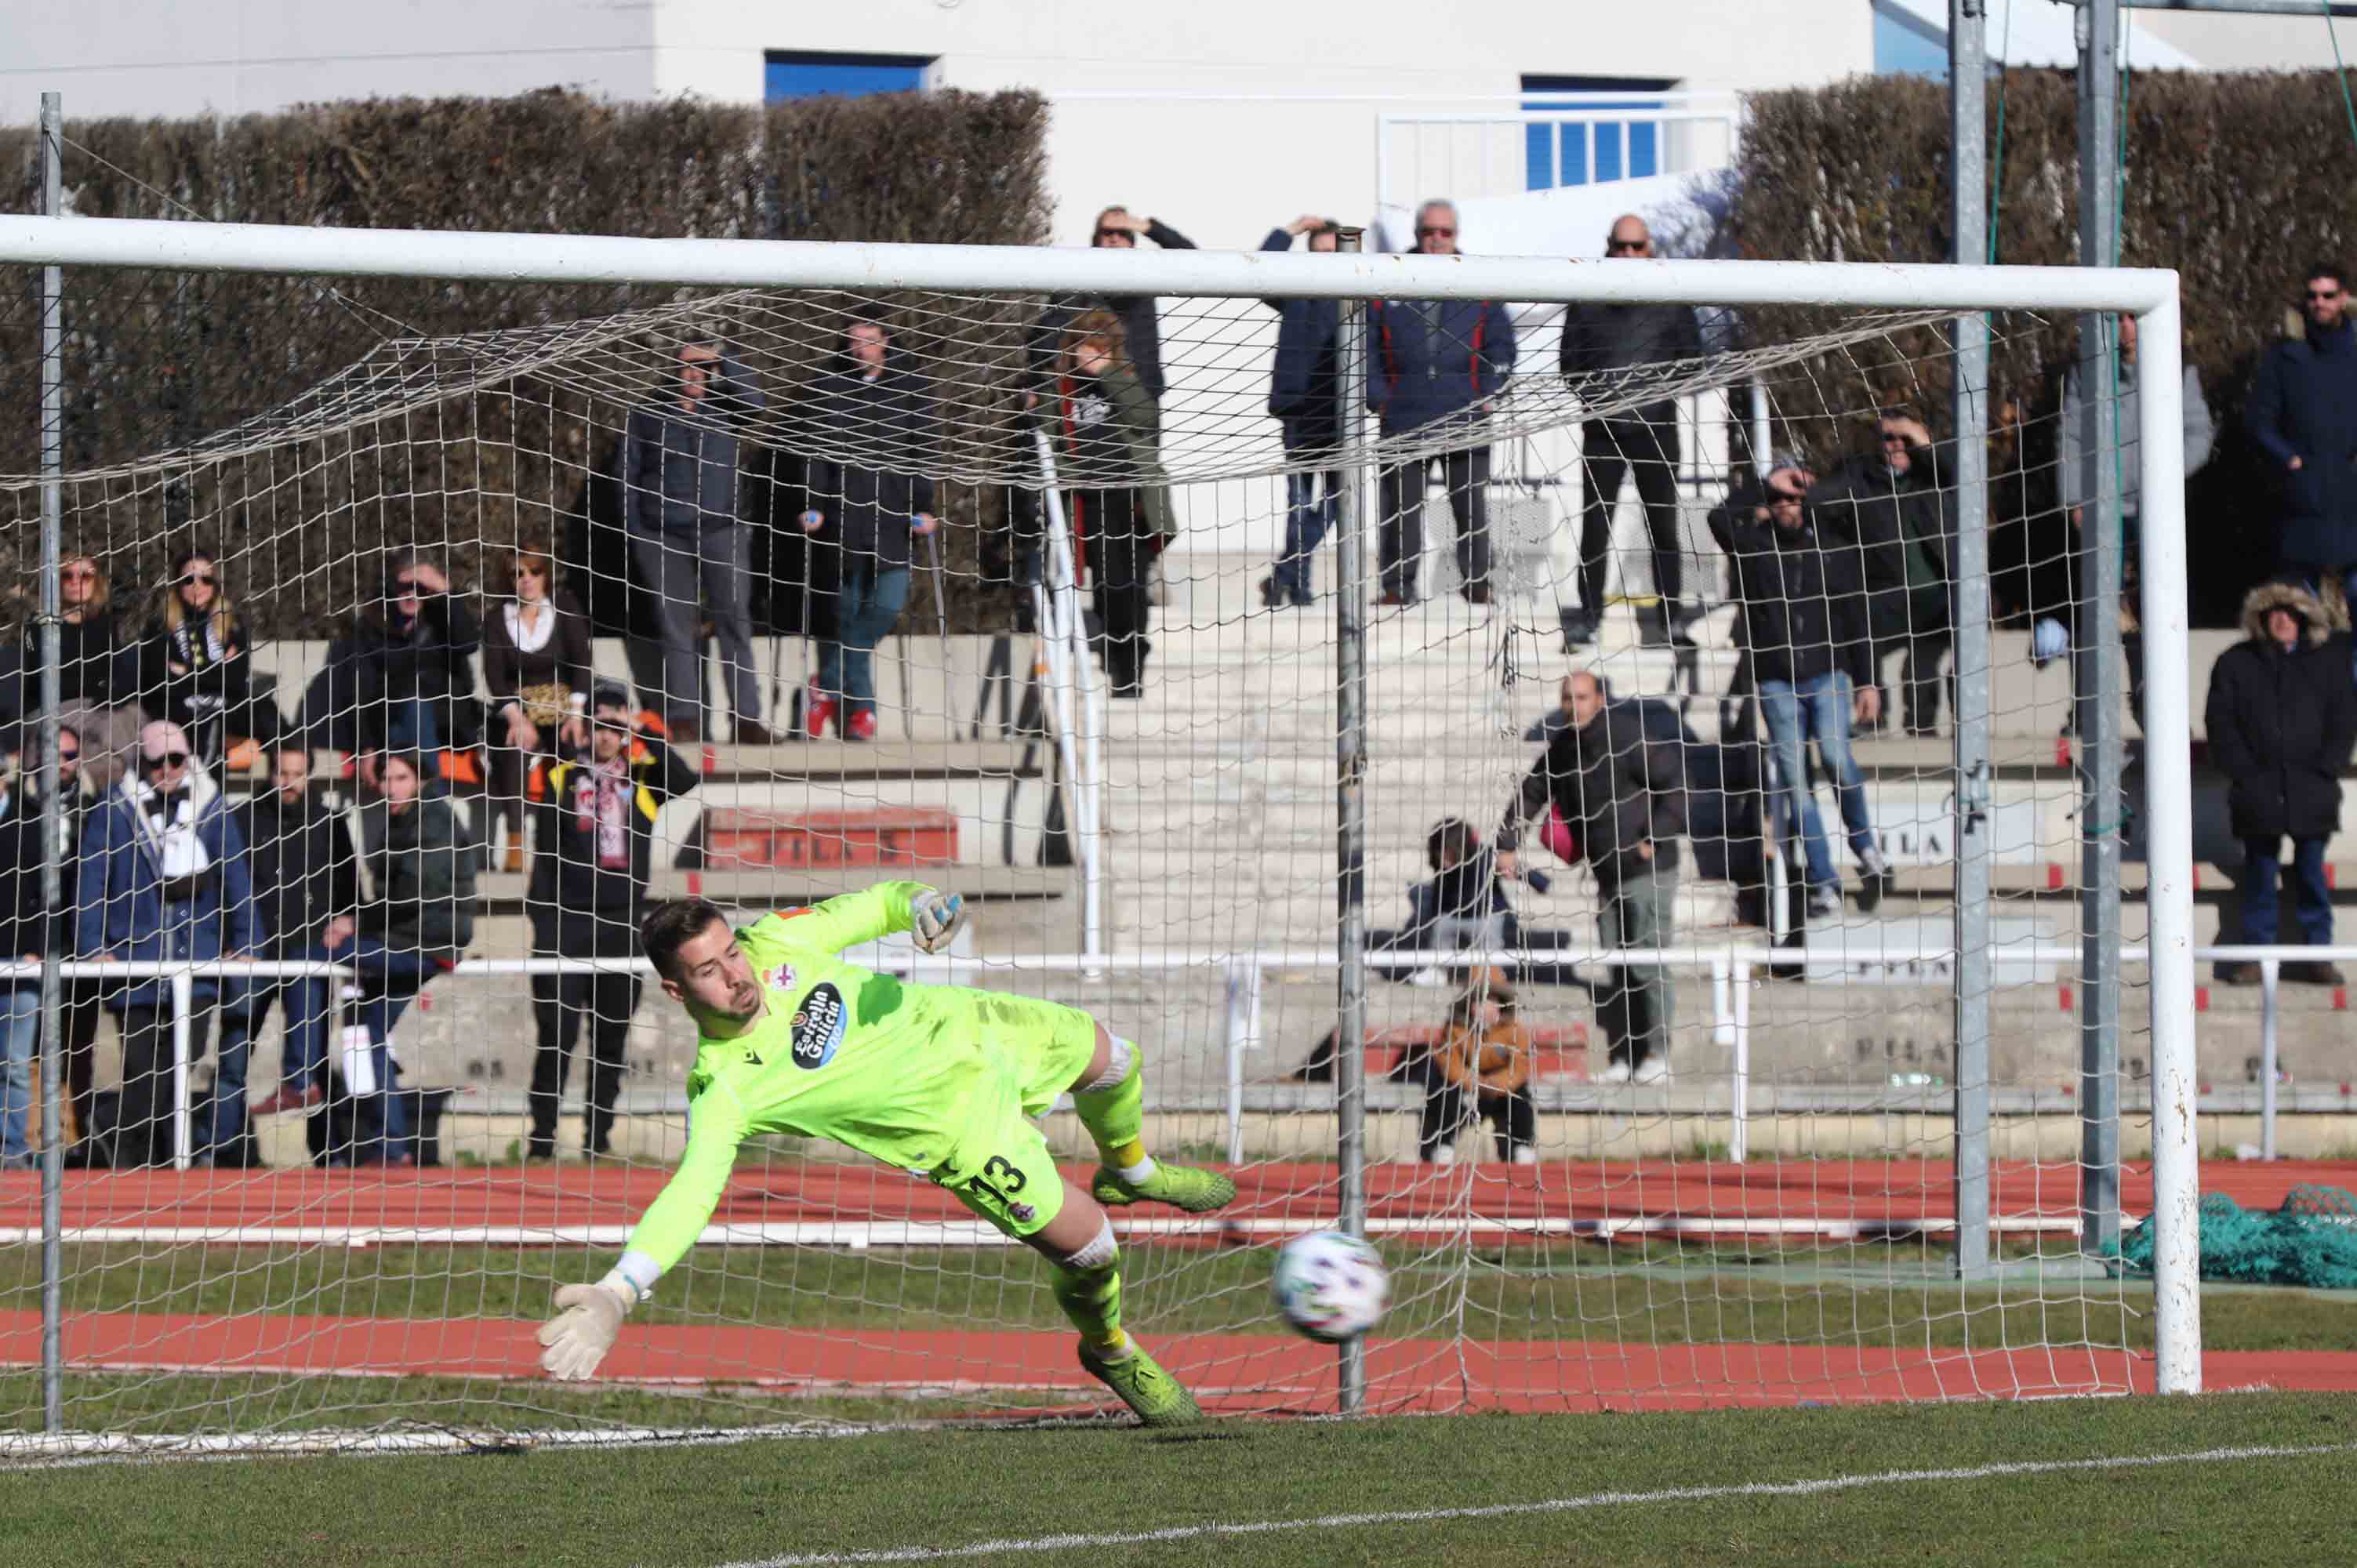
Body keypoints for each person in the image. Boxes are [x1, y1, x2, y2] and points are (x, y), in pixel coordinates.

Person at [534, 886, 1237, 1428]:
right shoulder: (725, 1088)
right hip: (963, 1134)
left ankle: (1132, 1170)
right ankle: (1110, 1349)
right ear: (676, 989)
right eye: (710, 971)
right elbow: (692, 1191)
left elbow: (876, 905)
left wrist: (922, 903)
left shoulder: (779, 938)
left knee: (1116, 1063)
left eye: (733, 954)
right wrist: (620, 1291)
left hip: (976, 1031)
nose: (736, 976)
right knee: (1092, 1256)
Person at [1707, 456, 1893, 918]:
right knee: (1796, 785)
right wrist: (1764, 484)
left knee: (1835, 756)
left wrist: (1868, 680)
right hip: (1776, 682)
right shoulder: (1754, 545)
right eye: (1779, 498)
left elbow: (1855, 616)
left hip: (1828, 673)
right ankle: (1824, 879)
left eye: (1795, 497)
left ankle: (1865, 846)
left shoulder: (1832, 545)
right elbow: (1717, 518)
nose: (1787, 505)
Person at [272, 750, 476, 1164]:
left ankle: (299, 1078)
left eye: (401, 778)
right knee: (364, 1038)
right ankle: (391, 1147)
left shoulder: (433, 818)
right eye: (387, 779)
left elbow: (419, 892)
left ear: (419, 780)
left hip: (423, 945)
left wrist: (355, 923)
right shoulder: (399, 819)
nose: (392, 788)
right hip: (401, 941)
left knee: (307, 958)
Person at [75, 720, 260, 1169]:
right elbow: (92, 882)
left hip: (195, 960)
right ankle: (133, 1162)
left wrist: (246, 941)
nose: (166, 770)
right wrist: (92, 945)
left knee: (184, 1062)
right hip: (135, 962)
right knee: (142, 1068)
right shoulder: (115, 810)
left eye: (175, 760)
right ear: (142, 763)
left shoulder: (211, 807)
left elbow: (236, 878)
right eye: (156, 762)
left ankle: (153, 1157)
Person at [526, 681, 699, 1160]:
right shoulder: (563, 774)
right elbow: (545, 776)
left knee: (610, 1039)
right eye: (599, 727)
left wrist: (639, 730)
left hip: (622, 924)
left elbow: (685, 779)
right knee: (556, 1036)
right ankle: (541, 1142)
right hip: (566, 924)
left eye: (613, 728)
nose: (605, 737)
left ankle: (596, 1142)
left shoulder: (642, 778)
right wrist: (572, 730)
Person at [1496, 670, 1685, 1084]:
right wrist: (1507, 842)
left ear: (1598, 699)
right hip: (1607, 874)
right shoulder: (1562, 747)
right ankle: (1626, 1056)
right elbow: (1532, 792)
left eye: (1581, 697)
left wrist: (1651, 838)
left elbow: (1675, 784)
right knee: (1616, 965)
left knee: (1647, 961)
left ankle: (1659, 1054)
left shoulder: (1626, 736)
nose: (1573, 706)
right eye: (1567, 698)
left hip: (1648, 870)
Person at [2048, 313, 2216, 726]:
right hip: (2102, 510)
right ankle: (2088, 706)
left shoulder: (2177, 369)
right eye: (2117, 319)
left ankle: (2153, 706)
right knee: (2096, 609)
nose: (2125, 327)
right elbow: (2069, 434)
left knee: (2152, 611)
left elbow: (2198, 433)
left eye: (2131, 318)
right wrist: (2074, 498)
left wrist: (2163, 475)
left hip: (2154, 513)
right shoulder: (2087, 372)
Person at [1560, 215, 1705, 648]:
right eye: (1621, 246)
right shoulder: (1586, 297)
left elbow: (1692, 360)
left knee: (1663, 526)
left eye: (1636, 246)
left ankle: (1672, 619)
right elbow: (1570, 364)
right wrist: (1603, 399)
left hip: (1657, 428)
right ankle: (1588, 618)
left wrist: (1656, 394)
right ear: (1608, 247)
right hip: (1603, 430)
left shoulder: (1671, 297)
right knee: (1595, 527)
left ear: (1650, 248)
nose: (1628, 254)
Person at [622, 338, 775, 745]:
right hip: (662, 534)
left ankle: (747, 718)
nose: (692, 375)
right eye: (686, 367)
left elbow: (757, 403)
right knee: (676, 626)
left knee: (735, 622)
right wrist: (638, 532)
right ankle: (685, 717)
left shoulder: (729, 405)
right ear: (673, 370)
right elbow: (628, 475)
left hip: (723, 529)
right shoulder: (648, 412)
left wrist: (724, 358)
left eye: (701, 369)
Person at [2205, 582, 2357, 988]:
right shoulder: (2235, 663)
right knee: (2259, 874)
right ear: (2261, 619)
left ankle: (2317, 956)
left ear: (2305, 619)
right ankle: (2256, 957)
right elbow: (2220, 724)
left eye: (2291, 613)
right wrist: (2245, 771)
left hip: (2313, 790)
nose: (2282, 620)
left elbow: (2343, 722)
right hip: (2258, 792)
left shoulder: (2328, 663)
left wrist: (2327, 768)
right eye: (2274, 613)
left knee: (2311, 873)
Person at [799, 310, 942, 741]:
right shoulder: (828, 388)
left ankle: (824, 685)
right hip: (844, 523)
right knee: (847, 615)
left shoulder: (913, 387)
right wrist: (814, 505)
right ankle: (862, 712)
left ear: (886, 341)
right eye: (854, 340)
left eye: (870, 339)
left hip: (893, 522)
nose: (861, 347)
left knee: (883, 608)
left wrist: (925, 507)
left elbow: (924, 453)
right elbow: (816, 454)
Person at [1368, 200, 1518, 607]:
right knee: (1400, 509)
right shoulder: (1388, 279)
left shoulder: (1479, 285)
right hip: (1405, 416)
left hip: (1463, 415)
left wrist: (1488, 394)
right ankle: (1397, 586)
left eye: (1445, 232)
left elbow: (1502, 345)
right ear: (1417, 235)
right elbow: (1365, 349)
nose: (1436, 239)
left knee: (1470, 505)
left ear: (1456, 236)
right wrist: (1380, 398)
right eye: (1428, 232)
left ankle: (1478, 583)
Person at [230, 747, 363, 1146]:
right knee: (233, 1057)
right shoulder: (241, 820)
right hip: (253, 955)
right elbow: (224, 886)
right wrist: (230, 941)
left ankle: (329, 1154)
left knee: (314, 1063)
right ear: (269, 774)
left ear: (309, 776)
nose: (288, 782)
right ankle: (220, 1150)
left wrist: (345, 919)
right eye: (281, 773)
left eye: (296, 774)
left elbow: (351, 891)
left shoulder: (329, 824)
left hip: (308, 954)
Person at [1054, 309, 1174, 698]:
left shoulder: (1125, 381)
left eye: (1099, 348)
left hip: (1131, 499)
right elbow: (1046, 440)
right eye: (1084, 348)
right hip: (1087, 501)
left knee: (1133, 585)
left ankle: (1132, 664)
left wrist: (1106, 374)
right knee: (1107, 586)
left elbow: (1145, 416)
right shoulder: (1063, 390)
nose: (1090, 355)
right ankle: (1114, 656)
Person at [1810, 410, 1952, 736]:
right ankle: (1873, 717)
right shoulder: (1864, 479)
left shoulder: (1933, 476)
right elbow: (1817, 501)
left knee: (1919, 666)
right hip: (1887, 593)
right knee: (1854, 633)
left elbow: (1957, 470)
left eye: (1906, 439)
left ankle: (1924, 726)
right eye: (1890, 438)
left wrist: (1922, 442)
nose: (1898, 445)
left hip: (1938, 593)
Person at [303, 549, 482, 793]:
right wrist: (366, 748)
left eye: (420, 588)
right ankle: (429, 816)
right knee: (400, 729)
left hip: (446, 720)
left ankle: (422, 816)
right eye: (404, 588)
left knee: (411, 713)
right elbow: (359, 690)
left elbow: (469, 644)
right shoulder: (371, 627)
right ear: (389, 587)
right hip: (390, 718)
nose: (411, 595)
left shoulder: (443, 617)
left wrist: (445, 590)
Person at [2247, 263, 2357, 645]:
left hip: (2351, 495)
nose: (2319, 303)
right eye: (2312, 295)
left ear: (2343, 298)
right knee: (2298, 615)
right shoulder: (2285, 358)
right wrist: (2290, 461)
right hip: (2304, 499)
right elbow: (2261, 423)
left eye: (2328, 295)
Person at [481, 541, 594, 871]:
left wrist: (575, 714)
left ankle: (572, 838)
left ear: (545, 574)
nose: (526, 579)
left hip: (563, 703)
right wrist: (517, 718)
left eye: (534, 571)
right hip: (519, 707)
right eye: (517, 573)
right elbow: (495, 676)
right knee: (513, 748)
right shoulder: (496, 619)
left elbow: (582, 663)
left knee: (573, 749)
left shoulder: (565, 607)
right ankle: (516, 840)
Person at [1258, 215, 1344, 608]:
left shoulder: (1352, 295)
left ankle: (1285, 574)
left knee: (1337, 500)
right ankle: (1299, 586)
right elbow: (1260, 268)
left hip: (1341, 413)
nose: (1325, 261)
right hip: (1297, 408)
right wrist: (1289, 230)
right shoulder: (1294, 291)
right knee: (1298, 502)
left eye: (1332, 252)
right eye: (1318, 252)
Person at [132, 550, 279, 771]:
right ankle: (205, 782)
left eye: (206, 579)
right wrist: (215, 672)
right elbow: (161, 683)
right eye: (188, 579)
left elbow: (235, 681)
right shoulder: (160, 626)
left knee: (264, 710)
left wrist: (187, 671)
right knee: (200, 720)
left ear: (216, 585)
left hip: (225, 708)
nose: (197, 586)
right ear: (177, 585)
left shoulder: (232, 625)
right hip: (176, 709)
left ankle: (287, 774)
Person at [13, 554, 143, 790]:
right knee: (103, 726)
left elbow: (122, 675)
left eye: (85, 575)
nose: (76, 581)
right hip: (55, 707)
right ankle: (49, 789)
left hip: (99, 708)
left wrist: (107, 691)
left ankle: (87, 783)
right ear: (57, 582)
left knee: (125, 718)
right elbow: (41, 681)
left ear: (97, 581)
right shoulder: (39, 626)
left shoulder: (109, 624)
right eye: (67, 575)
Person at [1415, 969, 1536, 1166]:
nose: (1483, 1008)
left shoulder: (1516, 1031)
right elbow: (1450, 1065)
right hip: (1467, 1088)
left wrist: (1496, 1084)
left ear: (1501, 1004)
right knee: (1445, 1092)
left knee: (1521, 1096)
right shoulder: (1454, 1029)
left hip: (1499, 1090)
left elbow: (1520, 1068)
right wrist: (1475, 1083)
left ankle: (1522, 1145)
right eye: (1478, 1001)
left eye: (1490, 1001)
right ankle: (1444, 1144)